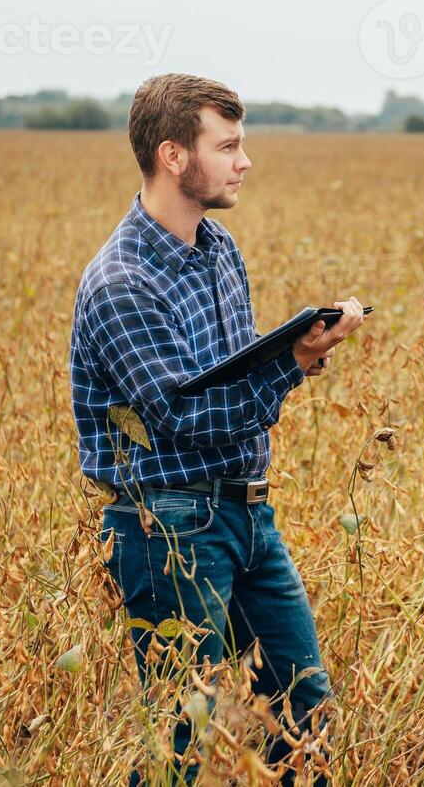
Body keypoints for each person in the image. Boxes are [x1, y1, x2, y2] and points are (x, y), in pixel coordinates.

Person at [70, 73, 365, 784]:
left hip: (247, 512)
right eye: (227, 145)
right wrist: (292, 363)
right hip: (168, 528)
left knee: (305, 710)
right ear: (174, 156)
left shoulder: (220, 248)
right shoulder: (121, 284)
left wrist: (288, 358)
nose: (244, 160)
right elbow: (178, 418)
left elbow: (231, 380)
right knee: (183, 736)